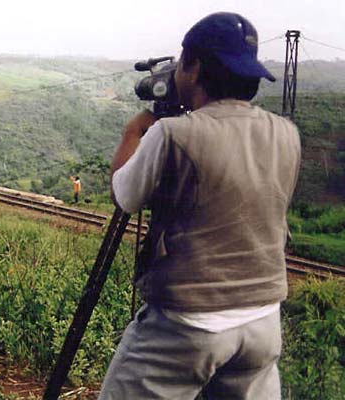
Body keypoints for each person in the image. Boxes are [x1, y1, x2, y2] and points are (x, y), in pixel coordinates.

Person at [100, 12, 301, 400]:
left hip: (188, 324)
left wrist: (133, 132)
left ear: (192, 69)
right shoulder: (286, 133)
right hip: (262, 319)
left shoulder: (173, 133)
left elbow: (124, 196)